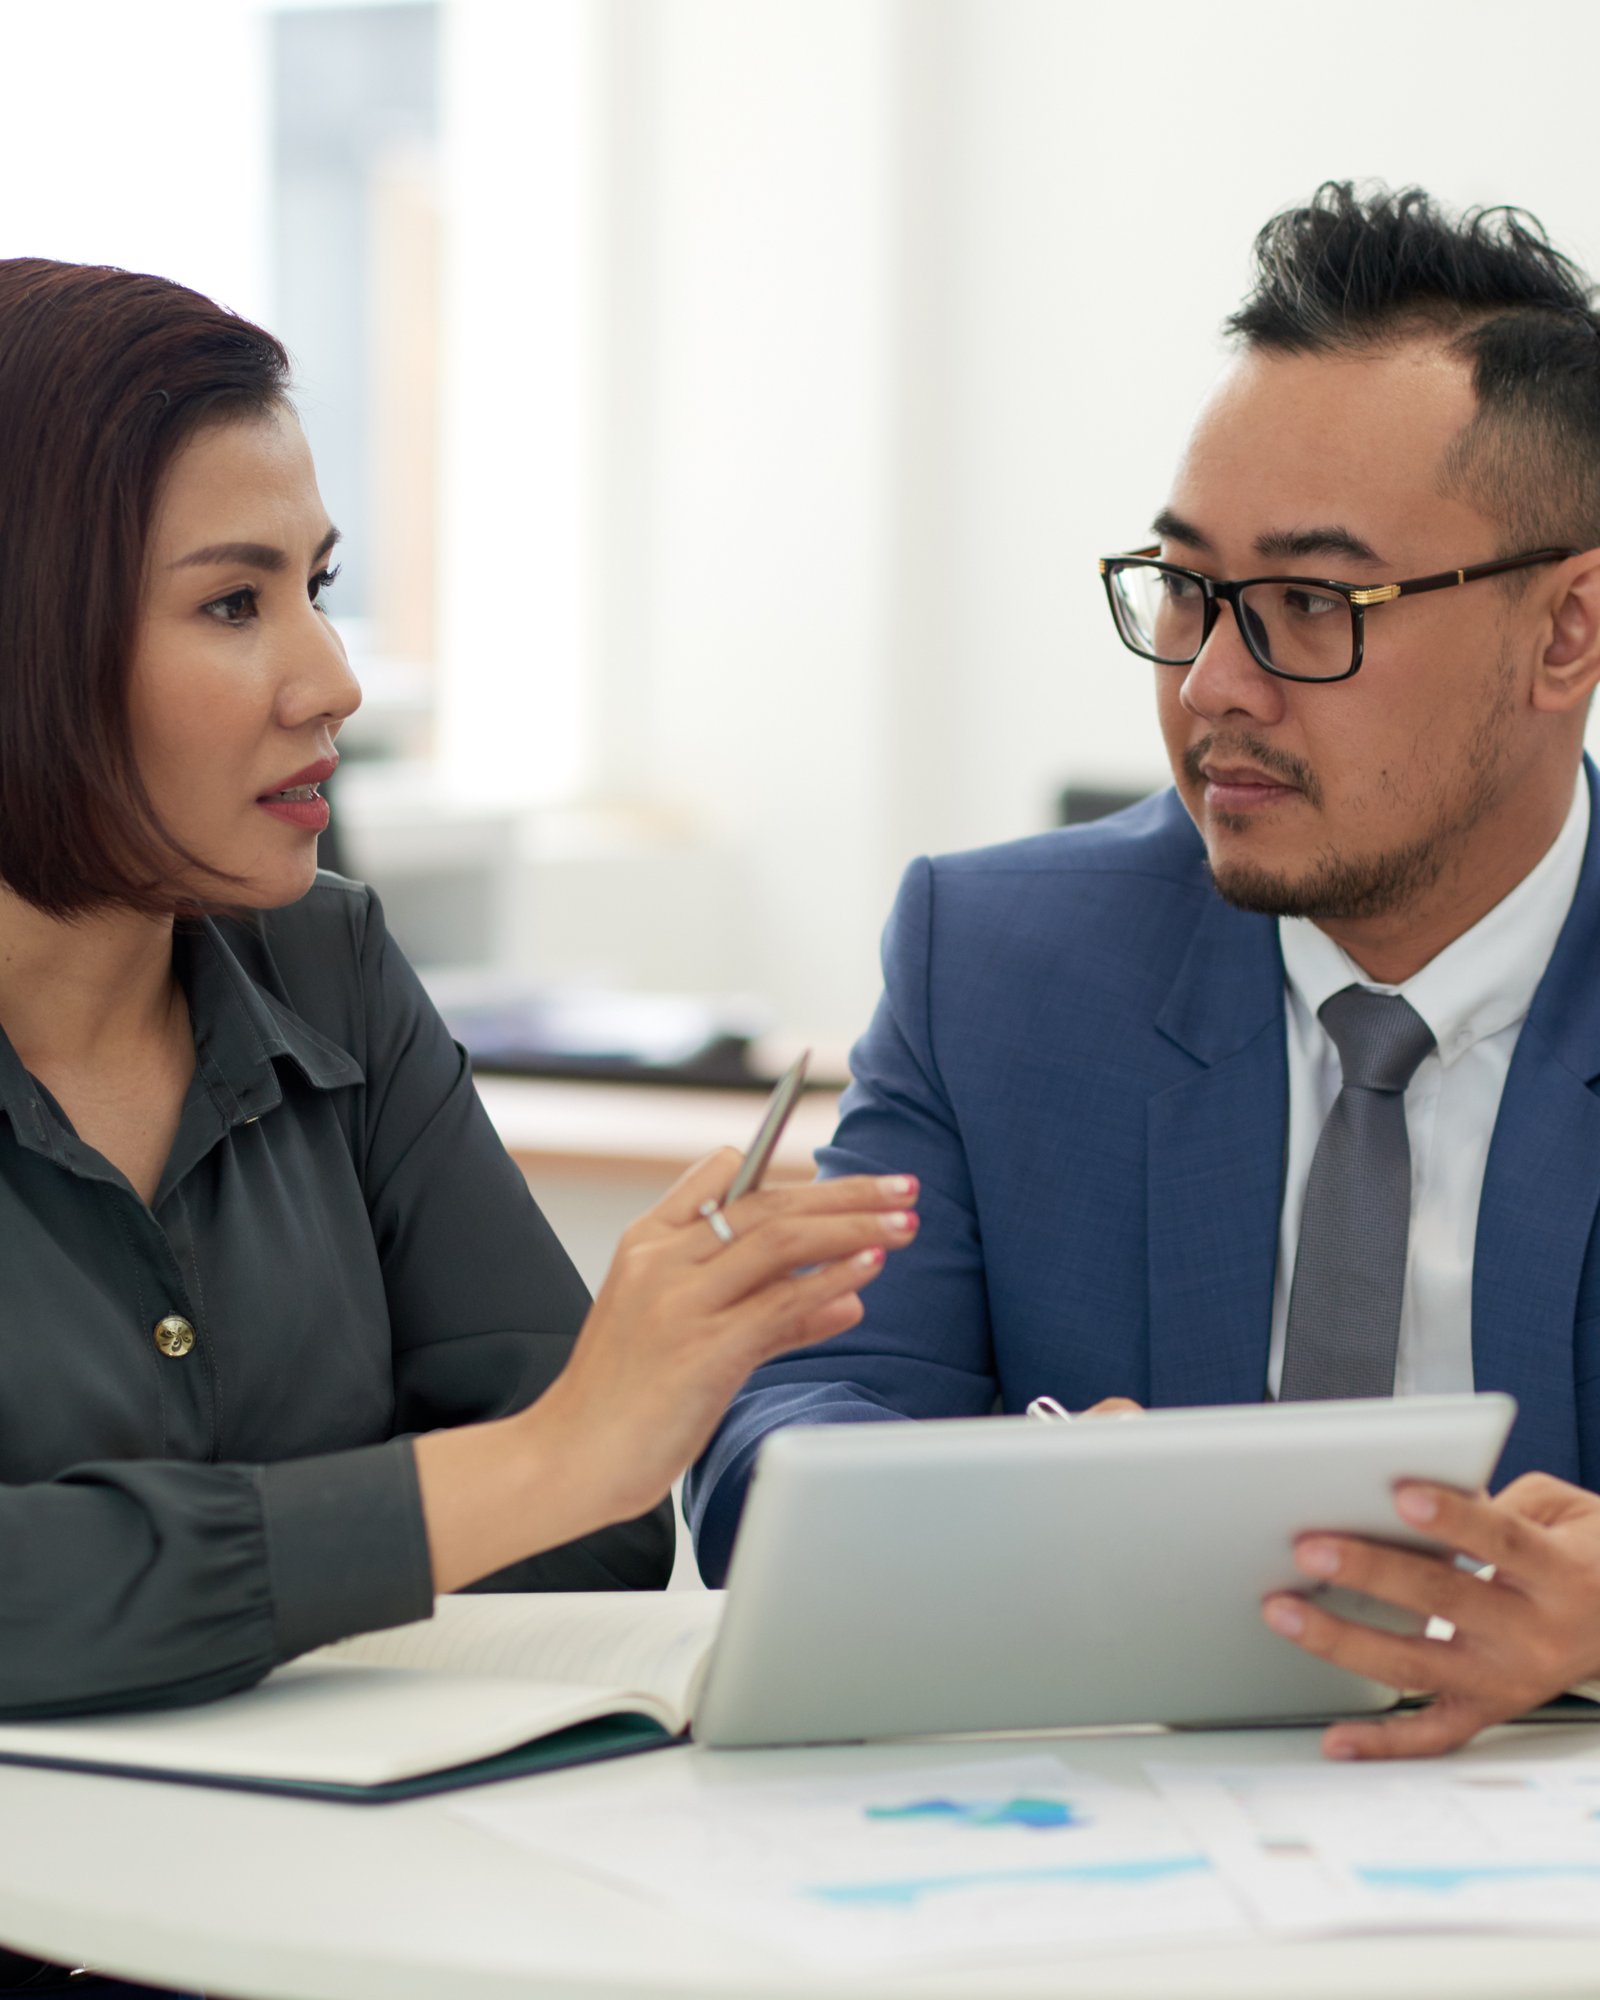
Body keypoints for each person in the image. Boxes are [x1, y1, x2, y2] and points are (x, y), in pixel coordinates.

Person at [686, 182, 1600, 1759]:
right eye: (1188, 591)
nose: (1214, 687)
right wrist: (996, 1509)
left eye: (1314, 605)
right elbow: (777, 1439)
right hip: (1105, 1878)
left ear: (1566, 633)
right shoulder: (1005, 963)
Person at [0, 261, 923, 1728]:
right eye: (235, 603)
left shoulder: (329, 964)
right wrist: (529, 1469)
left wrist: (196, 1591)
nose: (331, 681)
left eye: (319, 588)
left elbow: (603, 1526)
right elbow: (563, 1464)